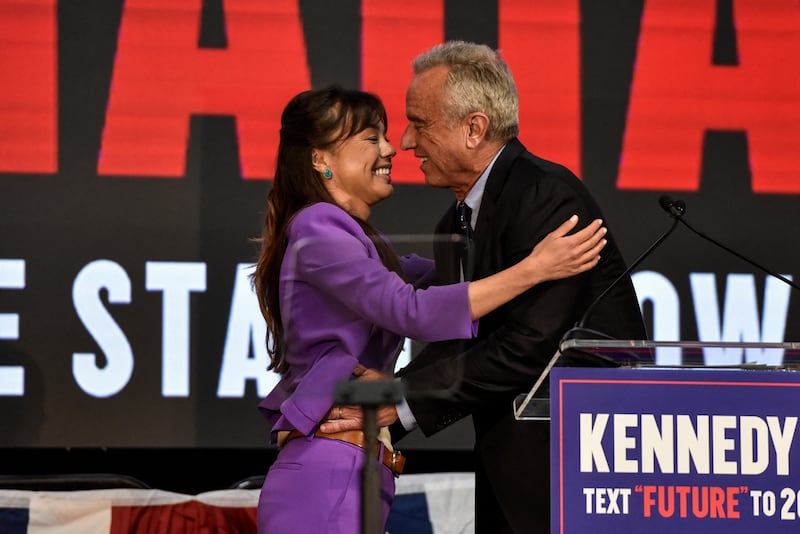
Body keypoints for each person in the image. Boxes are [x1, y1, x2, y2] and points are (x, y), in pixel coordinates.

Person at [321, 41, 649, 533]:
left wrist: (401, 399)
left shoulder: (544, 196)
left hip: (579, 469)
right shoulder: (453, 221)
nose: (406, 142)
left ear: (473, 128)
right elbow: (461, 338)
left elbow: (527, 346)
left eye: (420, 123)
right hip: (510, 465)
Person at [251, 84, 609, 534]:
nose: (391, 148)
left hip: (354, 470)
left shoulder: (357, 240)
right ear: (321, 159)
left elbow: (449, 279)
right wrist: (533, 269)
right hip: (327, 473)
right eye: (370, 138)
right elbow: (412, 310)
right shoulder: (317, 226)